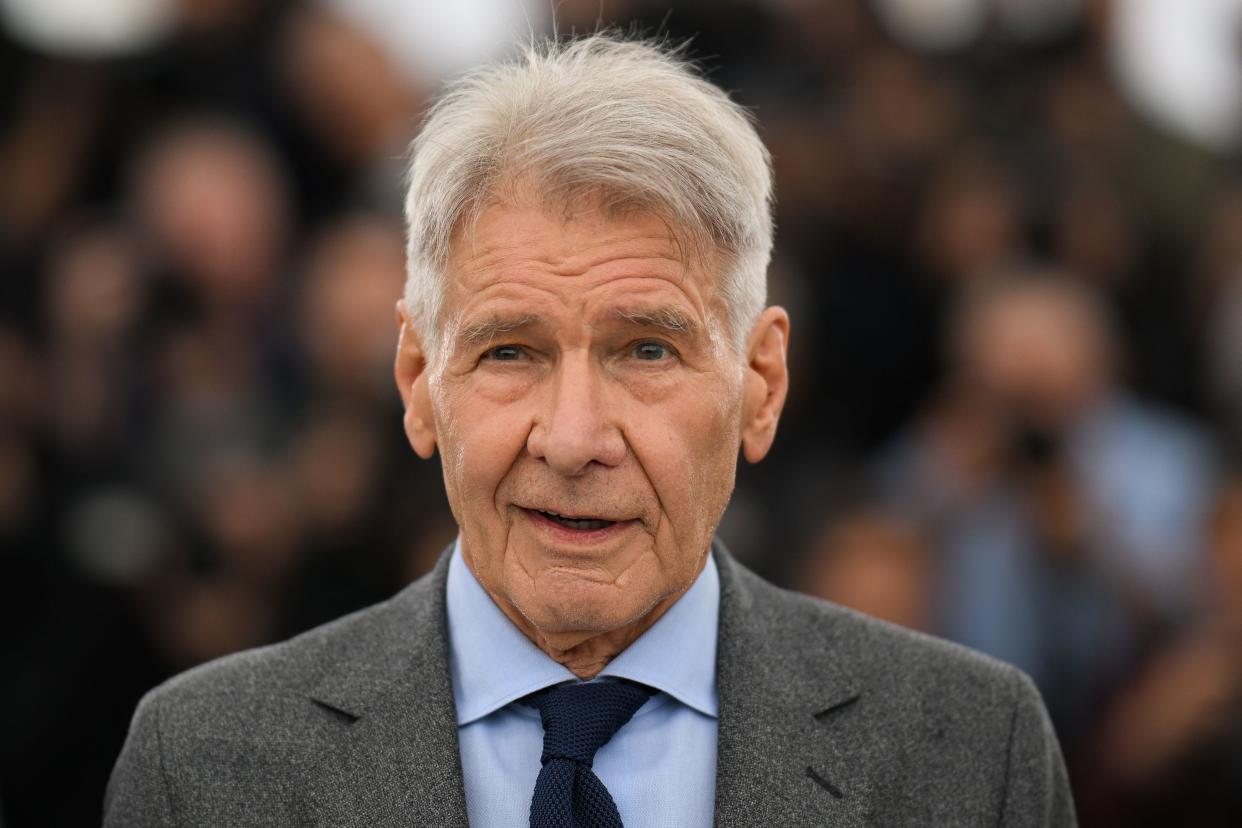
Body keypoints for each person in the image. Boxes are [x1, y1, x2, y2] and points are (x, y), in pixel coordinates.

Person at [105, 35, 1075, 827]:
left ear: (760, 385)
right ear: (417, 380)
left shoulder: (972, 755)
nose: (572, 440)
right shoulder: (202, 768)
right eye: (509, 352)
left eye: (647, 351)